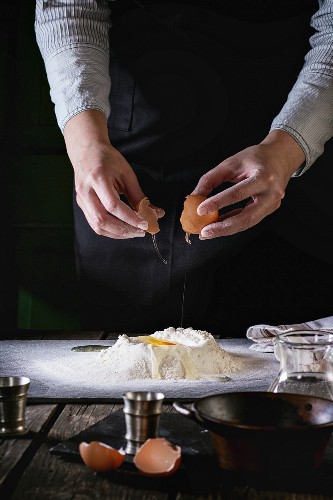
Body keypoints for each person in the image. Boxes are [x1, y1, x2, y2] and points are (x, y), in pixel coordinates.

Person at [35, 0, 333, 335]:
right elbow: (68, 7)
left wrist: (288, 146)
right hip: (136, 148)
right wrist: (87, 144)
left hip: (301, 135)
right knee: (134, 363)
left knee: (298, 360)